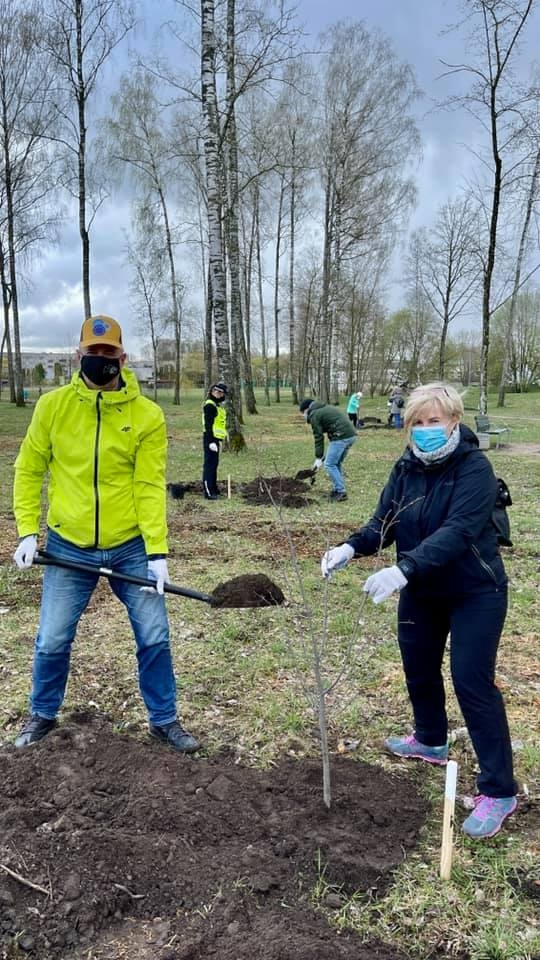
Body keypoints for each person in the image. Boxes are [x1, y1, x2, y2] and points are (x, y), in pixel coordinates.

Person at [321, 382, 517, 839]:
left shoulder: (475, 468)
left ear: (453, 421)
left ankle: (499, 790)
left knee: (471, 681)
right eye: (417, 422)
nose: (425, 429)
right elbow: (383, 523)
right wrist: (350, 547)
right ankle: (430, 740)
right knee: (418, 667)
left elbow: (459, 531)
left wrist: (403, 569)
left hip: (475, 592)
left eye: (434, 421)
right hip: (422, 590)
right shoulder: (405, 466)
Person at [12, 315, 199, 754]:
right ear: (78, 355)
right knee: (52, 636)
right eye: (92, 353)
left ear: (123, 358)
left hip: (130, 545)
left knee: (154, 633)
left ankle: (164, 721)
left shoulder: (147, 415)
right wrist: (26, 531)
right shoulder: (52, 407)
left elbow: (148, 485)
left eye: (108, 353)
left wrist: (156, 552)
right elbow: (29, 469)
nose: (101, 360)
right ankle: (42, 714)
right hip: (69, 544)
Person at [299, 398, 357, 502]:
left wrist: (318, 457)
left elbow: (318, 436)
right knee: (336, 463)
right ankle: (337, 489)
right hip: (350, 435)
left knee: (329, 464)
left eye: (303, 412)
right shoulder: (324, 408)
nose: (303, 415)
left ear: (307, 409)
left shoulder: (314, 414)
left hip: (341, 436)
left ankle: (341, 492)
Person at [202, 382, 228, 500]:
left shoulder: (217, 406)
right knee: (209, 465)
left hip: (215, 439)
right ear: (213, 392)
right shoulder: (210, 406)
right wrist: (211, 441)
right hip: (210, 439)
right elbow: (208, 425)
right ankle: (208, 491)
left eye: (221, 393)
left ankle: (214, 489)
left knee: (214, 465)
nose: (219, 395)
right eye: (217, 392)